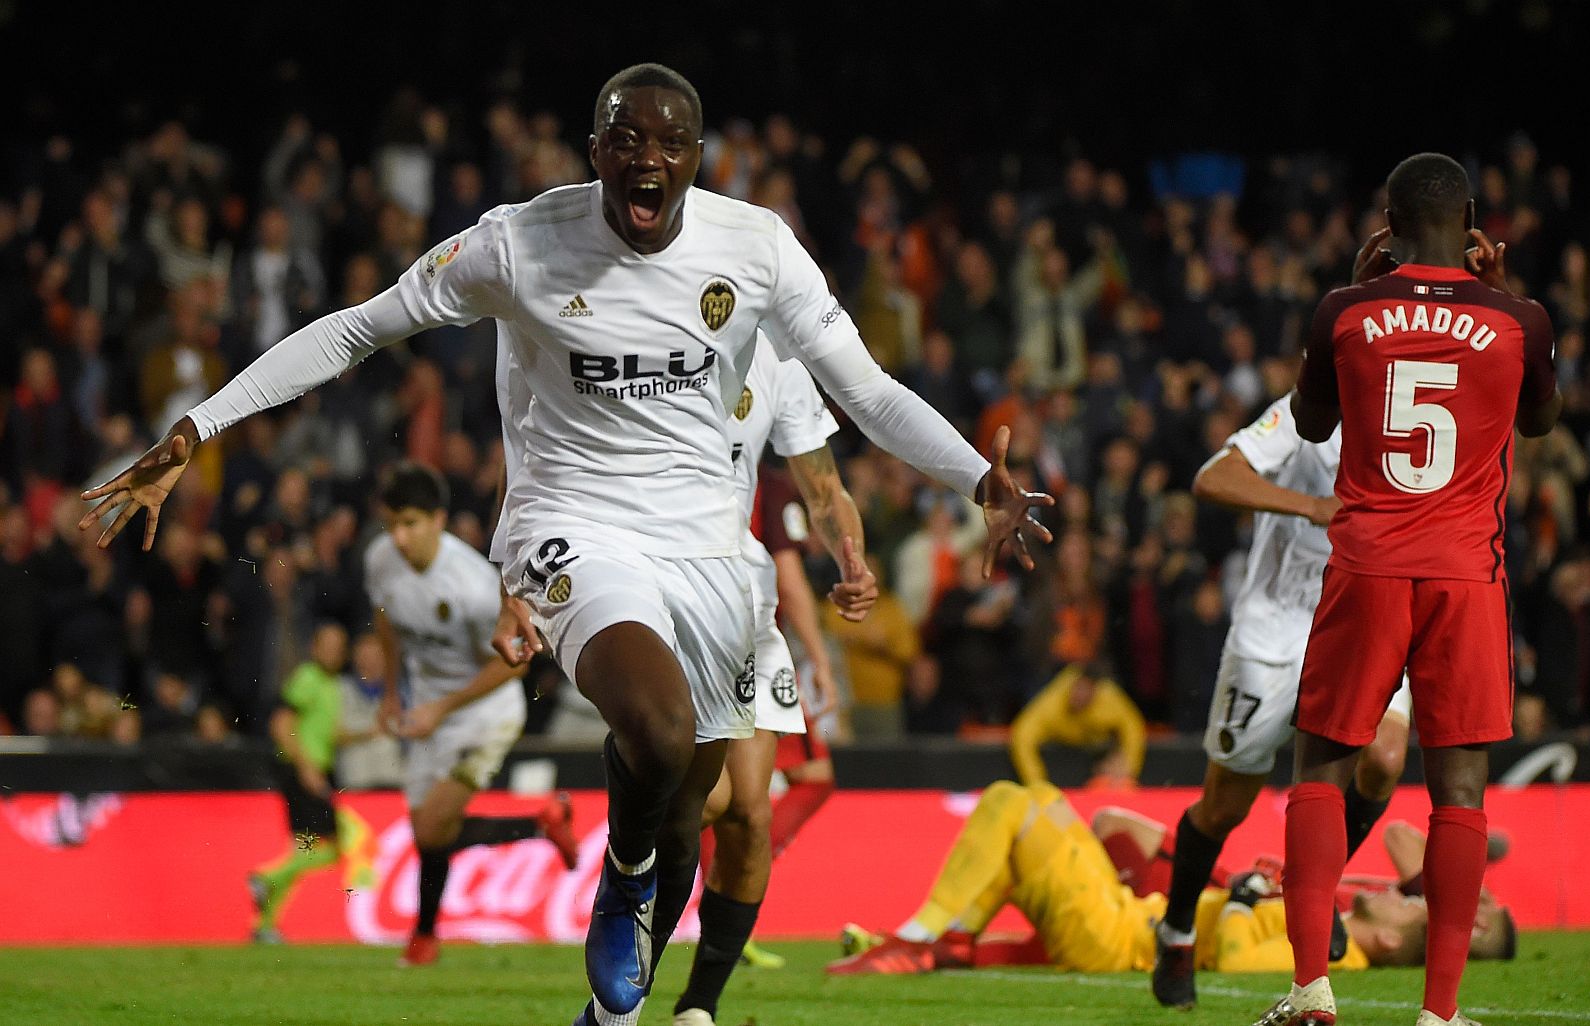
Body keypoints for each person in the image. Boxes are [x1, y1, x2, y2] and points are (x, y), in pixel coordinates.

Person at [80, 63, 1050, 1026]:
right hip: (570, 527)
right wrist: (196, 430)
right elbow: (355, 331)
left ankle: (615, 1014)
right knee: (659, 731)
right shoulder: (517, 243)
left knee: (686, 819)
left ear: (696, 159)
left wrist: (977, 479)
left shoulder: (755, 250)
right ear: (597, 153)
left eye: (670, 144)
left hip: (710, 553)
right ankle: (619, 882)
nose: (648, 160)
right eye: (626, 140)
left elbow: (869, 391)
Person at [1262, 153, 1560, 1026]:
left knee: (1322, 765)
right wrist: (1503, 294)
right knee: (1459, 788)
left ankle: (1312, 990)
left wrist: (1351, 296)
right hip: (1467, 575)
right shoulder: (1520, 320)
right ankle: (1439, 1014)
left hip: (1366, 564)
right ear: (1472, 225)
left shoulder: (1345, 311)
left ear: (1385, 227)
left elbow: (1312, 422)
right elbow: (1539, 420)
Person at [1151, 392, 1416, 1009]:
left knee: (1384, 757)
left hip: (1359, 621)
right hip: (1274, 631)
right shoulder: (1310, 411)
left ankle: (1310, 887)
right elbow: (1214, 477)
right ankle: (1178, 929)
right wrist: (1312, 506)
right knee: (1224, 804)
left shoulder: (1413, 408)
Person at [671, 332, 866, 1026]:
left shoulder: (778, 379)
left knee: (750, 813)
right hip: (669, 604)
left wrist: (853, 562)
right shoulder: (653, 349)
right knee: (712, 801)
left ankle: (699, 1004)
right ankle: (634, 910)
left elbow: (825, 494)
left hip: (751, 617)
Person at [825, 781, 1423, 979]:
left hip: (1119, 939)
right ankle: (943, 945)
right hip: (1125, 917)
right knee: (1034, 800)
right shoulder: (1336, 921)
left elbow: (1240, 962)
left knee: (1014, 803)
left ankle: (923, 936)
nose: (1397, 896)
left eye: (1407, 909)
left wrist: (1240, 902)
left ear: (1393, 942)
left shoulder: (1342, 961)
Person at [365, 463, 578, 967]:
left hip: (485, 710)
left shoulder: (475, 586)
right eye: (391, 524)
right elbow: (386, 622)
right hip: (428, 708)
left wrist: (442, 707)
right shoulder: (379, 560)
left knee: (433, 826)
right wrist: (393, 694)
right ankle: (426, 936)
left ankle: (424, 935)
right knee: (428, 829)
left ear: (439, 519)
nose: (399, 537)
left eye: (411, 523)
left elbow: (514, 667)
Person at [1091, 807, 1517, 963]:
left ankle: (1125, 912)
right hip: (1242, 883)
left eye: (1486, 906)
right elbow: (1397, 833)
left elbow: (1400, 838)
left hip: (1233, 899)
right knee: (1111, 825)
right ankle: (1120, 908)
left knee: (1112, 827)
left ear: (1477, 928)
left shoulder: (1410, 917)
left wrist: (1464, 878)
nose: (1482, 898)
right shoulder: (1407, 904)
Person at [248, 622, 358, 943]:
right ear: (314, 647)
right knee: (335, 847)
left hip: (308, 770)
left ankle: (265, 926)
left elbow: (330, 734)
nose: (334, 652)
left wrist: (374, 731)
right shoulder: (308, 679)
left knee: (300, 851)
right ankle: (266, 877)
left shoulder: (329, 684)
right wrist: (306, 767)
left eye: (339, 647)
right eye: (328, 645)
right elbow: (281, 724)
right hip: (302, 772)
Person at [1009, 663, 1146, 788]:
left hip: (1100, 753)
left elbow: (1133, 727)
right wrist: (1037, 783)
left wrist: (1130, 767)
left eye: (1086, 690)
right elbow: (1022, 737)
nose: (1080, 695)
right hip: (1061, 753)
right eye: (1078, 688)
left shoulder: (1108, 698)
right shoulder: (1051, 704)